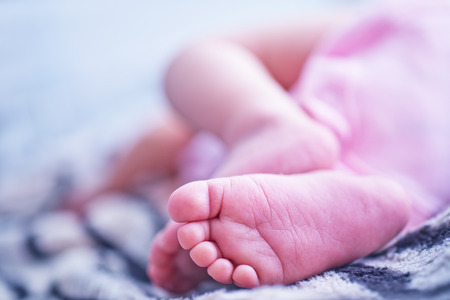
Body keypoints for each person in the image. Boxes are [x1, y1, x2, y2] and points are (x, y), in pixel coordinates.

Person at [77, 0, 450, 294]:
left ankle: (263, 120)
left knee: (201, 55)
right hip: (422, 168)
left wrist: (103, 187)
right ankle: (360, 196)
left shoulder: (190, 143)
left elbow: (154, 140)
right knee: (211, 235)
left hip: (406, 50)